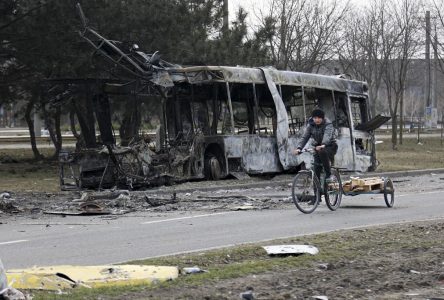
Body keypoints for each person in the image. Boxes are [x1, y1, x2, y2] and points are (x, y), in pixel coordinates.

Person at [294, 108, 338, 181]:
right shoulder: (311, 125)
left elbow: (327, 135)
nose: (317, 120)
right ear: (313, 118)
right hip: (318, 147)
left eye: (319, 118)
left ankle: (329, 175)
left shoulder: (328, 124)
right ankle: (317, 191)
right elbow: (305, 137)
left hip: (330, 146)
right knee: (316, 169)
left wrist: (323, 144)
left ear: (322, 118)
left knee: (322, 151)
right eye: (315, 118)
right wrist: (299, 148)